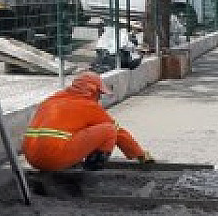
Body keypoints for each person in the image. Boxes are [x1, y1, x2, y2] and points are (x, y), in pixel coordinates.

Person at [23, 72, 153, 171]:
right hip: (53, 159)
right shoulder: (88, 106)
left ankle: (68, 162)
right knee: (110, 130)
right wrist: (140, 154)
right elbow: (118, 132)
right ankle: (92, 169)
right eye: (99, 94)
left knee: (70, 132)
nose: (99, 98)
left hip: (32, 158)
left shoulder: (51, 100)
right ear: (92, 91)